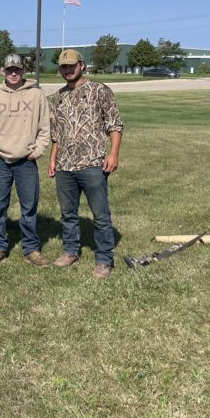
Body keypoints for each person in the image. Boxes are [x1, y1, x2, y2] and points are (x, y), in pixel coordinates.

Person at [49, 49, 123, 279]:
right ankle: (71, 251)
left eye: (72, 65)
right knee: (68, 213)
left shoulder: (99, 90)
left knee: (100, 215)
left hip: (92, 163)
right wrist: (53, 159)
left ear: (81, 65)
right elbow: (56, 134)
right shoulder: (57, 97)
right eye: (64, 67)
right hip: (65, 165)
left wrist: (113, 154)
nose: (68, 70)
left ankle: (104, 259)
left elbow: (115, 124)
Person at [0, 53, 51, 267]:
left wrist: (37, 151)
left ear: (23, 71)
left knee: (28, 207)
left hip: (26, 161)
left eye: (17, 69)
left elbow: (45, 127)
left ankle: (31, 248)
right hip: (1, 160)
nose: (13, 73)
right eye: (9, 69)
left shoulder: (36, 95)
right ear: (3, 71)